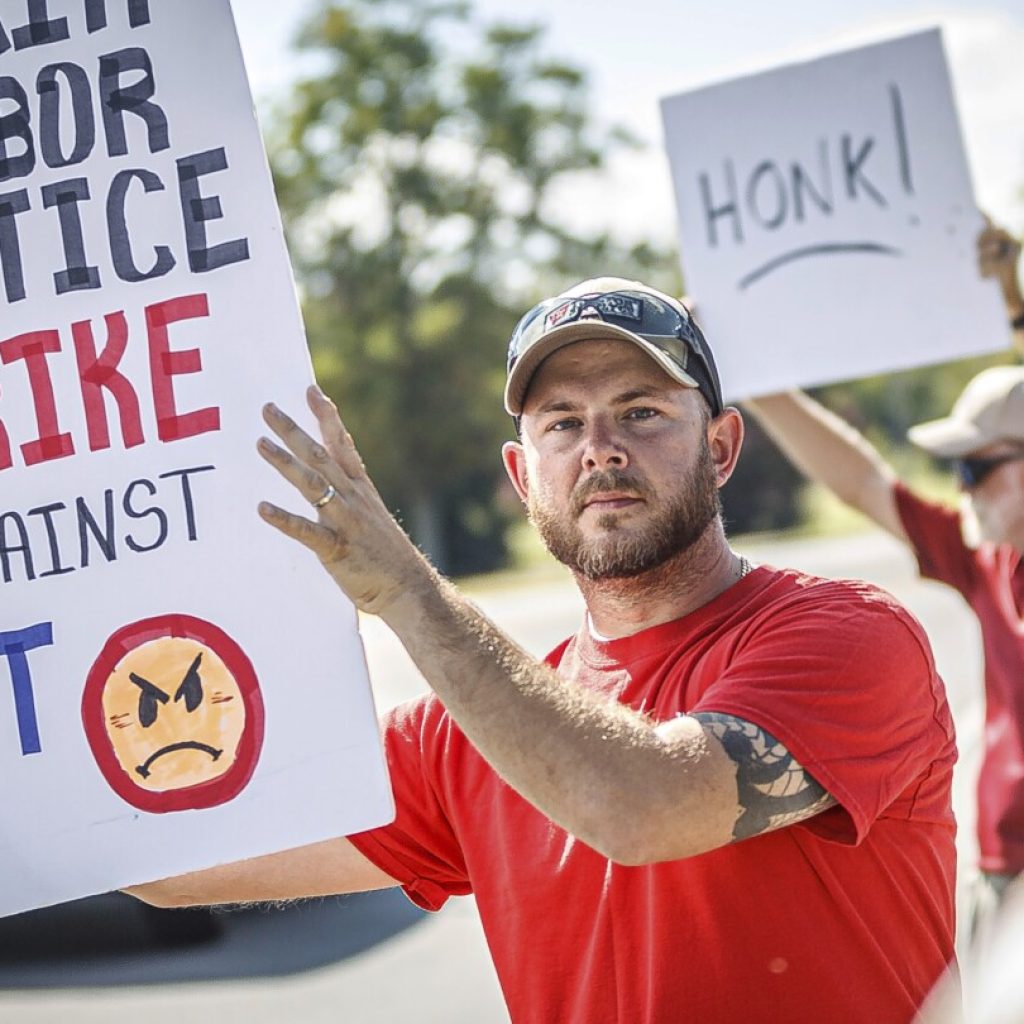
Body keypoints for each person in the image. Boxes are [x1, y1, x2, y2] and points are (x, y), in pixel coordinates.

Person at [127, 279, 958, 1023]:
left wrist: (409, 592)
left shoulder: (851, 638)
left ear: (721, 447)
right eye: (563, 423)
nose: (600, 447)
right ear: (524, 478)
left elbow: (643, 808)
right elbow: (164, 862)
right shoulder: (464, 733)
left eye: (641, 411)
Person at [744, 221, 1024, 958]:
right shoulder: (983, 557)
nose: (957, 487)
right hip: (1004, 875)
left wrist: (1016, 306)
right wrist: (760, 386)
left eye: (976, 467)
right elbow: (866, 481)